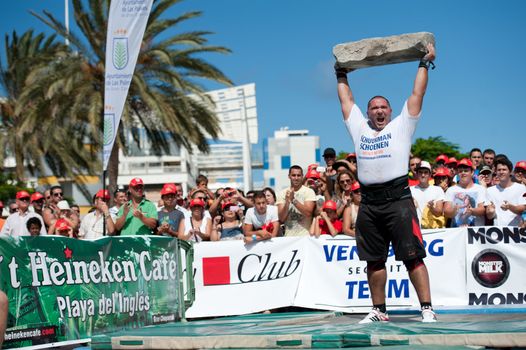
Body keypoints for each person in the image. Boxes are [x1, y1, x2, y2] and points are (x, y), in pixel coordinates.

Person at [335, 43, 436, 323]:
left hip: (398, 200)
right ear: (368, 113)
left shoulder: (402, 125)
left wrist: (424, 63)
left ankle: (426, 307)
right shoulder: (359, 127)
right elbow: (346, 101)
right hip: (369, 202)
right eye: (374, 108)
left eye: (383, 107)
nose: (379, 111)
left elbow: (418, 93)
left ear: (390, 111)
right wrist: (340, 73)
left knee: (413, 256)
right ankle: (379, 310)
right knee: (374, 261)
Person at [443, 159, 487, 227]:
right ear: (457, 173)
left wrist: (472, 211)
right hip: (456, 232)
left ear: (472, 172)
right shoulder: (451, 190)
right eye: (460, 171)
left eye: (466, 171)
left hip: (476, 233)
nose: (463, 173)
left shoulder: (481, 189)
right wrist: (453, 211)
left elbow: (483, 210)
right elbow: (446, 211)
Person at [277, 165, 316, 237]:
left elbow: (308, 213)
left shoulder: (309, 192)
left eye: (298, 175)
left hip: (306, 237)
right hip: (289, 237)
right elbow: (281, 219)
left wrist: (293, 200)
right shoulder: (282, 193)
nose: (296, 178)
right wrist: (287, 202)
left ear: (302, 176)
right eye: (293, 175)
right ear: (289, 176)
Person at [486, 158, 526, 226]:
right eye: (499, 170)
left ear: (510, 172)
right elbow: (489, 216)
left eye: (504, 170)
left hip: (516, 231)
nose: (501, 172)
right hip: (498, 232)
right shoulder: (490, 190)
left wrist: (509, 207)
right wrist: (490, 212)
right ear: (495, 172)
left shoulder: (521, 188)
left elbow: (521, 210)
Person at [410, 161, 446, 229]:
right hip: (415, 230)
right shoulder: (410, 190)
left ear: (430, 175)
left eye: (426, 172)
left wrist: (432, 208)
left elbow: (439, 213)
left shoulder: (438, 190)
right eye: (420, 172)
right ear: (417, 174)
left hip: (433, 230)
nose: (423, 175)